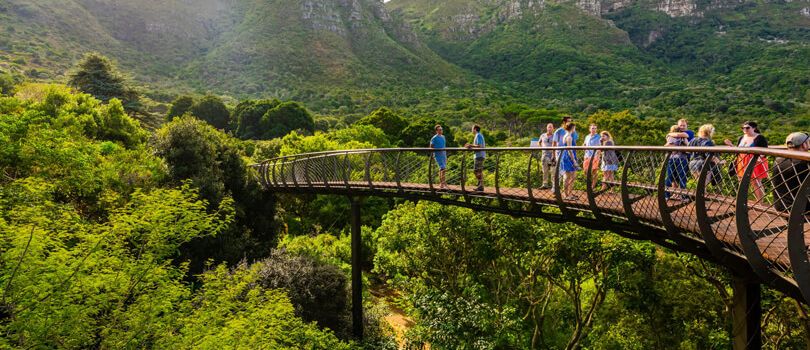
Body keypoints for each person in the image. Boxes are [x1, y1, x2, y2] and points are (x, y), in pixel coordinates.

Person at [724, 121, 769, 201]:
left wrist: (759, 158)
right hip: (741, 161)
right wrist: (731, 145)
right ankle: (741, 201)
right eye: (743, 128)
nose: (745, 129)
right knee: (741, 181)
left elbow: (765, 151)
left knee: (756, 182)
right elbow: (738, 150)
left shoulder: (760, 137)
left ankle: (760, 202)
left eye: (747, 128)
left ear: (754, 128)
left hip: (755, 161)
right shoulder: (741, 138)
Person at [773, 132, 810, 213]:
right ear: (804, 145)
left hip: (781, 206)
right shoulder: (805, 162)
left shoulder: (778, 160)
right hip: (801, 209)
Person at [665, 124, 689, 201]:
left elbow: (668, 146)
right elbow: (687, 146)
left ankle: (666, 195)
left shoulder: (669, 137)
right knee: (682, 177)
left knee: (670, 177)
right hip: (682, 158)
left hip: (671, 158)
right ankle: (683, 196)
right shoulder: (683, 137)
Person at [560, 123, 578, 200]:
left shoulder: (566, 135)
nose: (575, 129)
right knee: (568, 176)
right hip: (569, 158)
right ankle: (566, 195)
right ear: (572, 128)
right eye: (574, 128)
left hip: (568, 156)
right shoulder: (569, 137)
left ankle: (569, 193)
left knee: (572, 176)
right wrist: (574, 161)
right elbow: (569, 150)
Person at [465, 124, 486, 191]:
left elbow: (479, 146)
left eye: (472, 129)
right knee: (479, 171)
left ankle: (481, 185)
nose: (471, 130)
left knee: (476, 171)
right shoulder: (478, 135)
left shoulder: (478, 135)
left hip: (479, 155)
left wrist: (470, 145)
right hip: (479, 155)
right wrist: (470, 146)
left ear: (475, 129)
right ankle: (480, 185)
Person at [429, 124, 448, 189]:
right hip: (438, 155)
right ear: (436, 131)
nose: (441, 131)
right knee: (442, 168)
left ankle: (443, 182)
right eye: (439, 130)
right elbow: (431, 146)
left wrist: (445, 155)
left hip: (443, 155)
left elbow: (444, 146)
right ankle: (442, 183)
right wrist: (433, 154)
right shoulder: (434, 138)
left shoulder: (443, 137)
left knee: (443, 169)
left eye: (441, 129)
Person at [582, 124, 601, 189]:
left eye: (595, 128)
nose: (594, 129)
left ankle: (593, 186)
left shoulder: (598, 137)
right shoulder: (587, 136)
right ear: (589, 129)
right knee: (585, 171)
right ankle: (589, 184)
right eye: (592, 128)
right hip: (587, 156)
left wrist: (598, 156)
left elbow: (600, 147)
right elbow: (584, 144)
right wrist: (583, 147)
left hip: (595, 156)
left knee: (594, 171)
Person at [538, 123, 555, 189]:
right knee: (545, 171)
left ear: (553, 128)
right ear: (546, 128)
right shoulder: (542, 135)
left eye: (551, 127)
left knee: (553, 171)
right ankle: (545, 184)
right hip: (544, 155)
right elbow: (539, 142)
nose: (550, 128)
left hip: (552, 155)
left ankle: (554, 185)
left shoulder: (555, 136)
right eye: (548, 127)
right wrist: (542, 147)